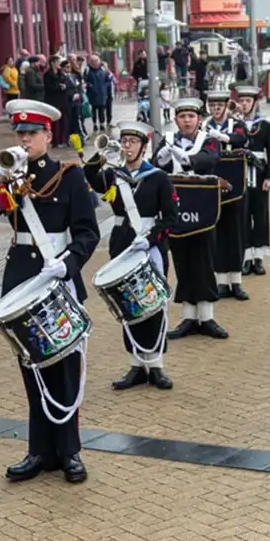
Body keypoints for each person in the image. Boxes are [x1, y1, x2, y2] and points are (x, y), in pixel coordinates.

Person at [0, 100, 100, 482]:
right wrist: (0, 177)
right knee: (32, 368)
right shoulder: (11, 176)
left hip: (57, 279)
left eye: (32, 133)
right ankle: (39, 451)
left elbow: (88, 233)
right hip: (22, 280)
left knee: (65, 368)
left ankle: (70, 452)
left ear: (48, 136)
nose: (25, 140)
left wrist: (69, 263)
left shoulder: (69, 176)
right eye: (20, 133)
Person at [85, 121, 178, 390]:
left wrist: (150, 239)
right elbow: (88, 175)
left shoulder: (158, 177)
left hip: (150, 245)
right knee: (127, 304)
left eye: (133, 142)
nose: (127, 146)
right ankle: (136, 364)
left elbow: (171, 217)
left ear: (143, 147)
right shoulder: (113, 175)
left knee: (153, 303)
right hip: (122, 243)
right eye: (124, 141)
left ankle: (156, 365)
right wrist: (103, 153)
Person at [154, 97, 228, 339]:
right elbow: (155, 168)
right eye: (182, 117)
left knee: (204, 260)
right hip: (177, 209)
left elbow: (211, 158)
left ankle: (206, 317)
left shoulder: (208, 139)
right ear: (176, 120)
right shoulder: (168, 140)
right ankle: (188, 317)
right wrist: (161, 159)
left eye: (191, 116)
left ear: (198, 119)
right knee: (182, 261)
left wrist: (187, 159)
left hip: (203, 209)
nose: (187, 121)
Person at [201, 91, 250, 299]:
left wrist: (223, 137)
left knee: (236, 232)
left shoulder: (235, 123)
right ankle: (221, 280)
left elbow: (242, 137)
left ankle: (236, 280)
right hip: (213, 183)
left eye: (219, 105)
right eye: (213, 105)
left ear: (226, 105)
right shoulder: (204, 126)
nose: (216, 109)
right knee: (218, 233)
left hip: (235, 184)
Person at [236, 85, 270, 276]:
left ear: (255, 103)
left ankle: (259, 257)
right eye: (241, 101)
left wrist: (269, 177)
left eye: (248, 101)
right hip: (240, 174)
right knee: (242, 216)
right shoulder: (235, 125)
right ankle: (245, 257)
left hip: (259, 174)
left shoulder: (265, 125)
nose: (244, 104)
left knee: (260, 216)